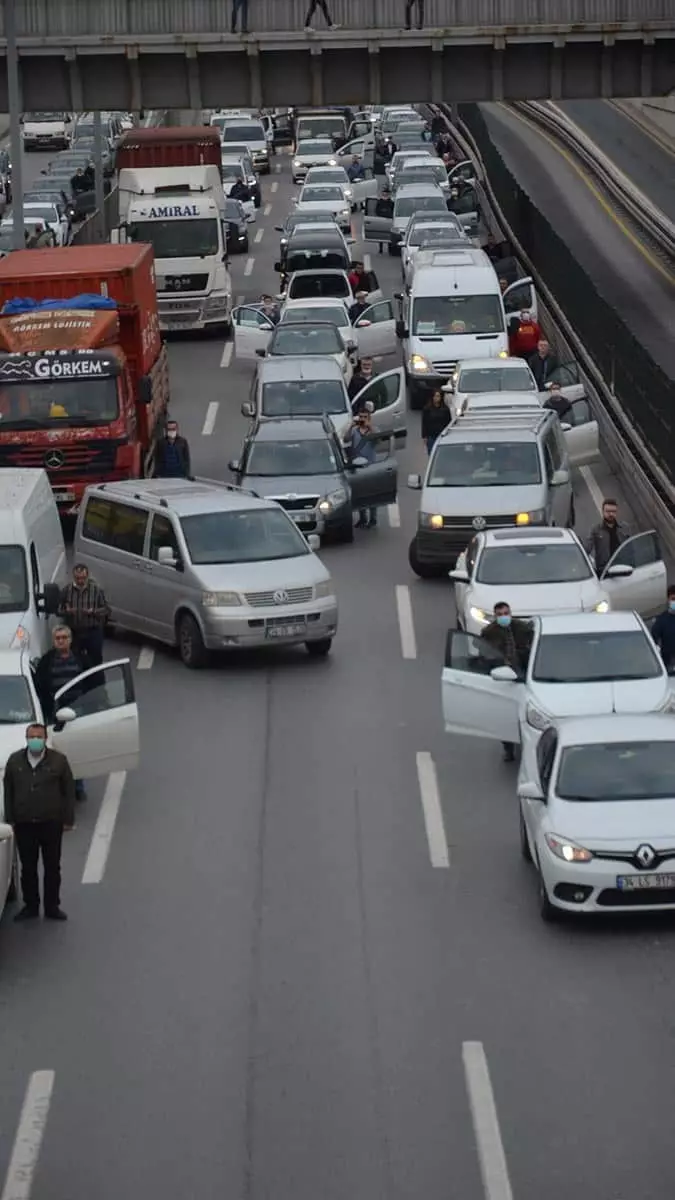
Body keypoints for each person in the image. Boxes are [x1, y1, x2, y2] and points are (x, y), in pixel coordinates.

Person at [4, 723, 75, 921]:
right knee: (28, 868)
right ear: (26, 738)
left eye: (38, 736)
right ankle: (31, 906)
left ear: (45, 738)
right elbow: (8, 790)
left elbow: (68, 791)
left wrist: (68, 819)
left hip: (50, 823)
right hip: (25, 823)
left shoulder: (59, 761)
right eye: (31, 736)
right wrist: (11, 819)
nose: (35, 740)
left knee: (52, 867)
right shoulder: (15, 761)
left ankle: (52, 906)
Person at [33, 627, 87, 800]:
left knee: (77, 749)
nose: (61, 641)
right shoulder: (46, 662)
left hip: (78, 711)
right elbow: (39, 688)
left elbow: (92, 682)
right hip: (55, 714)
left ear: (70, 640)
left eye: (64, 637)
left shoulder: (81, 659)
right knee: (56, 750)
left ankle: (78, 786)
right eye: (58, 638)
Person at [481, 602, 533, 762]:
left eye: (506, 613)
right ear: (495, 616)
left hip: (524, 674)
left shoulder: (522, 628)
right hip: (503, 676)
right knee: (505, 714)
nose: (504, 617)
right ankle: (508, 748)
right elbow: (485, 655)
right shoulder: (489, 633)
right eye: (500, 614)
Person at [59, 564, 109, 669]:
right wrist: (67, 611)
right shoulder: (66, 591)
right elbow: (59, 610)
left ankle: (97, 681)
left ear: (87, 576)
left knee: (95, 660)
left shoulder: (96, 590)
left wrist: (93, 611)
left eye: (83, 578)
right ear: (74, 577)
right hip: (74, 631)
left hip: (93, 630)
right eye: (77, 578)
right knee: (75, 660)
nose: (80, 581)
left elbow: (106, 610)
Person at [344, 408, 378, 529]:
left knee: (372, 493)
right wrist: (350, 426)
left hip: (370, 465)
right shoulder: (354, 431)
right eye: (361, 417)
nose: (362, 419)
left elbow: (377, 440)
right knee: (359, 493)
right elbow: (346, 439)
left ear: (369, 418)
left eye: (365, 417)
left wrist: (371, 427)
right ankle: (362, 518)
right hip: (357, 465)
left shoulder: (373, 430)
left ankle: (373, 518)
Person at [585, 498, 631, 576]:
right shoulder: (596, 529)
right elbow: (587, 549)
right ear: (603, 512)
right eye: (608, 511)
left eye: (613, 511)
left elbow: (631, 547)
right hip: (604, 572)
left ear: (616, 512)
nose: (611, 514)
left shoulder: (624, 528)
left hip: (624, 568)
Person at [651, 585, 675, 671]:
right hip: (668, 663)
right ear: (668, 600)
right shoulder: (661, 620)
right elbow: (653, 640)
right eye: (673, 599)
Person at [421, 389, 451, 454]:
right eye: (435, 396)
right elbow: (424, 423)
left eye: (438, 396)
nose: (436, 398)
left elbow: (448, 423)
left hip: (441, 436)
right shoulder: (427, 409)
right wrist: (424, 436)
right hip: (431, 436)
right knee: (431, 453)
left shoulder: (445, 409)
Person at [374, 188, 394, 253]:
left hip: (389, 220)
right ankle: (380, 249)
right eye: (384, 194)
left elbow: (393, 211)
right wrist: (382, 214)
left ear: (388, 195)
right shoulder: (379, 202)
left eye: (386, 194)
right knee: (381, 235)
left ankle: (390, 248)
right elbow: (376, 211)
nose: (385, 195)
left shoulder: (391, 203)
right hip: (381, 220)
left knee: (390, 235)